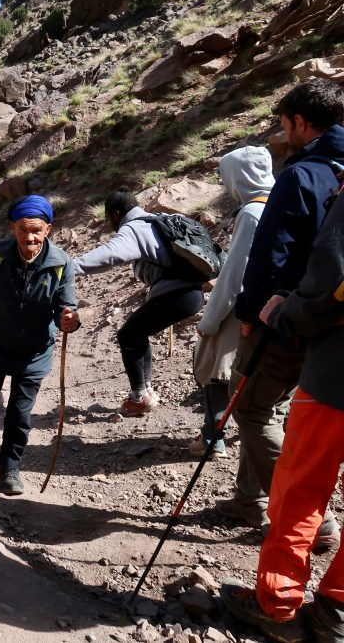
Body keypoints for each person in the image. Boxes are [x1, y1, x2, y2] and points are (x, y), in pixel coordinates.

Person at [220, 167, 344, 643]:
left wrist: (286, 308)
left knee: (301, 491)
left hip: (338, 376)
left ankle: (277, 606)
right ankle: (335, 612)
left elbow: (331, 279)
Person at [216, 78, 344, 534]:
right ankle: (247, 500)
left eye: (285, 123)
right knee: (270, 407)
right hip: (329, 320)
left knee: (251, 409)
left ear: (302, 123)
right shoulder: (339, 170)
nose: (281, 132)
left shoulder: (300, 174)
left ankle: (313, 520)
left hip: (284, 316)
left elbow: (272, 254)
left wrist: (250, 313)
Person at [0, 194, 80, 496]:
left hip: (34, 354)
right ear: (12, 227)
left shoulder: (60, 264)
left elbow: (65, 305)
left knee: (19, 415)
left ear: (48, 230)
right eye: (23, 230)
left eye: (37, 230)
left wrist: (69, 319)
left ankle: (10, 469)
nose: (30, 237)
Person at [72, 192, 204, 415]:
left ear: (115, 214)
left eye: (108, 219)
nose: (109, 224)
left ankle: (140, 396)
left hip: (177, 294)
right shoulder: (156, 219)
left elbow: (110, 254)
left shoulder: (134, 227)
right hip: (191, 291)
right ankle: (145, 392)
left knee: (128, 335)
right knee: (136, 332)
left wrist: (70, 267)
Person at [190, 146, 273, 457]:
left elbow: (235, 274)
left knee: (213, 360)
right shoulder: (281, 200)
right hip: (276, 303)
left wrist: (209, 319)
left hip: (248, 303)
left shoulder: (252, 212)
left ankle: (213, 435)